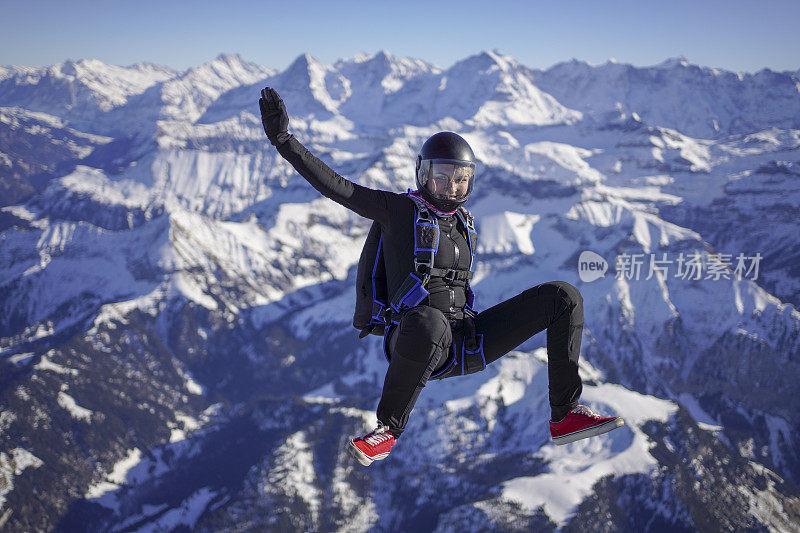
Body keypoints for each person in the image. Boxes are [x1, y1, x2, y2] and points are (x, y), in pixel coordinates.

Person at [258, 87, 624, 467]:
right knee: (430, 322)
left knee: (562, 297)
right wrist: (284, 141)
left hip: (465, 341)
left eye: (462, 178)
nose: (453, 186)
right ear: (424, 174)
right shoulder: (398, 210)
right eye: (444, 176)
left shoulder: (464, 222)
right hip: (414, 337)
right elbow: (338, 187)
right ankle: (387, 430)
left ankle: (564, 415)